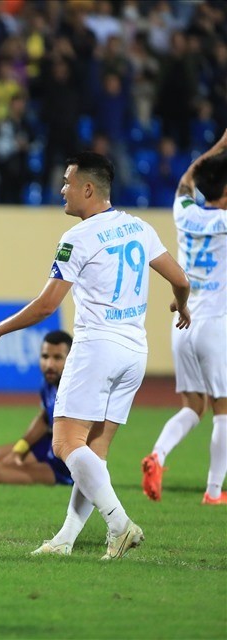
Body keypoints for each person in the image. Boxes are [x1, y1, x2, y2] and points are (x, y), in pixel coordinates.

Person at [0, 152, 191, 560]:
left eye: (67, 182)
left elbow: (45, 306)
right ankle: (66, 540)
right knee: (93, 452)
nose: (61, 189)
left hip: (97, 349)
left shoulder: (77, 238)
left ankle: (120, 523)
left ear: (87, 189)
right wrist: (182, 305)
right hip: (134, 352)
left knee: (64, 443)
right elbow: (180, 279)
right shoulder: (137, 226)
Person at [142, 130, 227, 505]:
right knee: (223, 410)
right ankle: (213, 492)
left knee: (192, 406)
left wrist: (219, 147)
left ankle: (157, 456)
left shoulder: (185, 213)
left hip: (183, 323)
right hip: (215, 325)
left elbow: (186, 179)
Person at [0, 330, 75, 486]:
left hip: (64, 463)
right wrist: (20, 449)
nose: (49, 364)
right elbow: (45, 419)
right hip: (46, 445)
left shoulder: (76, 391)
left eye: (57, 358)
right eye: (45, 357)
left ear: (71, 360)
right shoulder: (48, 384)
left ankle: (62, 480)